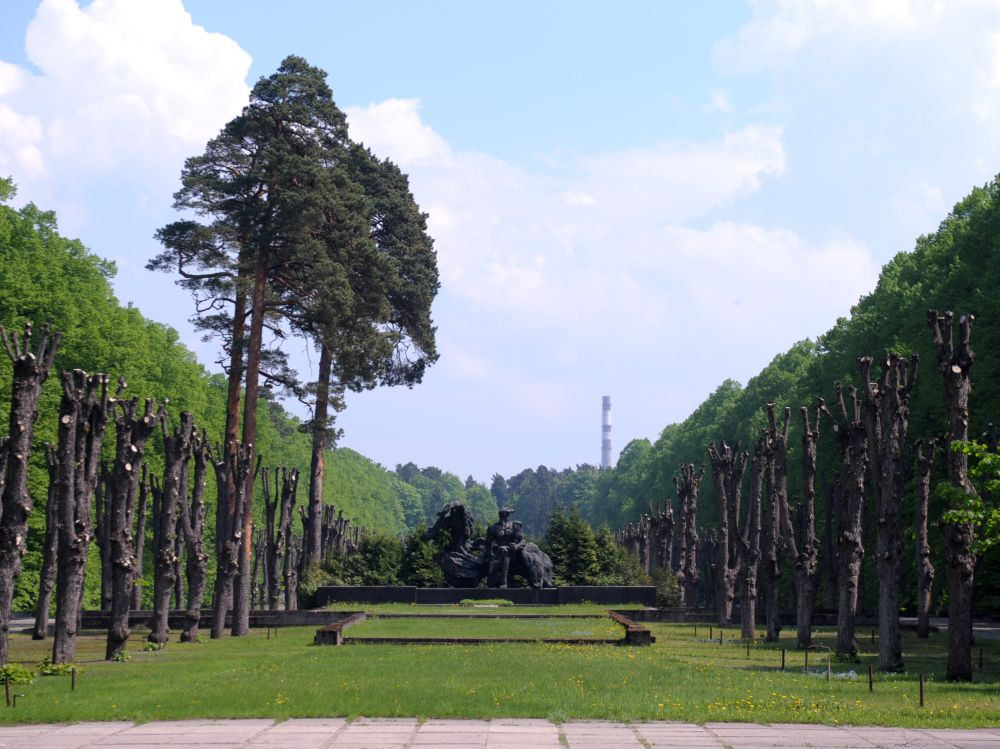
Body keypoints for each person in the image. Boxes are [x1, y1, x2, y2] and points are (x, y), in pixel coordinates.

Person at [485, 507, 525, 588]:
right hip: (499, 552)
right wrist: (490, 554)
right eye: (501, 514)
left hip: (513, 553)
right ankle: (493, 581)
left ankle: (504, 582)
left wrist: (516, 546)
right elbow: (488, 543)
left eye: (505, 514)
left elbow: (523, 541)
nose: (503, 516)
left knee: (504, 550)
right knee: (502, 550)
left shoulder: (514, 526)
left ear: (508, 515)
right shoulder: (494, 527)